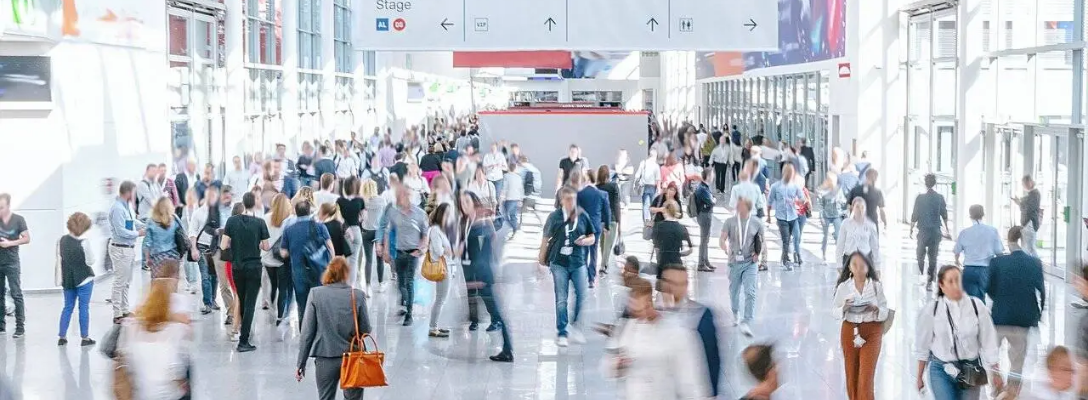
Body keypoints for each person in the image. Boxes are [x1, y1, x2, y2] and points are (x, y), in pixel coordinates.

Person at [601, 278, 708, 400]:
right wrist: (617, 365)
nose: (639, 316)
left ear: (650, 302)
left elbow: (690, 380)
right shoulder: (625, 328)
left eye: (641, 310)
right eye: (634, 311)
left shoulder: (676, 332)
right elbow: (608, 367)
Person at [913, 265, 1003, 399]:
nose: (956, 285)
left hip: (971, 370)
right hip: (941, 370)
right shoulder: (932, 310)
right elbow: (923, 346)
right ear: (941, 285)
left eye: (958, 280)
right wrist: (919, 376)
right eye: (950, 281)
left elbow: (989, 342)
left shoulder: (977, 307)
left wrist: (996, 372)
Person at [296, 256, 371, 400]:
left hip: (325, 357)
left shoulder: (316, 294)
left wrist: (301, 363)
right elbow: (366, 330)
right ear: (346, 274)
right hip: (352, 358)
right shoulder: (358, 295)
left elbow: (307, 333)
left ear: (328, 273)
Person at [985, 226, 1044, 394]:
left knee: (992, 354)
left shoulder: (997, 262)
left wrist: (998, 299)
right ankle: (1012, 391)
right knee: (1017, 359)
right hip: (1023, 320)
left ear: (1009, 240)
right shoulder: (1034, 263)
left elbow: (988, 287)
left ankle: (997, 387)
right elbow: (1042, 291)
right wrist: (1039, 313)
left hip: (1000, 317)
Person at [458, 191, 514, 362]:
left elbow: (485, 254)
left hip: (483, 277)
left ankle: (508, 349)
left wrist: (480, 278)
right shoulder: (465, 223)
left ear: (474, 202)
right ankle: (507, 348)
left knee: (497, 312)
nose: (464, 205)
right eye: (462, 202)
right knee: (495, 311)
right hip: (473, 274)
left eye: (467, 201)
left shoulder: (480, 224)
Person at [540, 186, 597, 347]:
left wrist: (585, 241)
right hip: (559, 263)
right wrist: (541, 256)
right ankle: (562, 331)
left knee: (582, 294)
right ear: (561, 200)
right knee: (561, 298)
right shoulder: (554, 217)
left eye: (573, 198)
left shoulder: (582, 215)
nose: (571, 202)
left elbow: (592, 236)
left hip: (578, 262)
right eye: (567, 199)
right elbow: (545, 238)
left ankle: (575, 326)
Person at [119, 279, 194, 400]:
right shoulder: (175, 331)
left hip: (142, 394)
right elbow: (176, 370)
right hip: (168, 395)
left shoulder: (132, 329)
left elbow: (127, 361)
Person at [832, 252, 890, 400]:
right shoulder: (844, 287)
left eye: (862, 265)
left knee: (866, 378)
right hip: (850, 330)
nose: (858, 269)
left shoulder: (876, 286)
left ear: (868, 267)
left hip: (872, 331)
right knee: (851, 376)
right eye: (854, 265)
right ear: (849, 268)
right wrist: (844, 307)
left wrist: (876, 308)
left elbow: (885, 312)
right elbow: (835, 311)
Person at [658, 265, 721, 396]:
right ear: (662, 284)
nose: (678, 288)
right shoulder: (649, 312)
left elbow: (712, 360)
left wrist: (712, 394)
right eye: (673, 283)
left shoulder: (701, 315)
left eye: (683, 283)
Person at [220, 192, 271, 352]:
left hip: (237, 267)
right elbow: (266, 246)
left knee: (241, 300)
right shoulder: (260, 222)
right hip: (254, 266)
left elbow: (223, 245)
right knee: (250, 304)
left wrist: (236, 244)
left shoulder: (231, 221)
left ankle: (242, 335)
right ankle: (244, 341)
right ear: (254, 204)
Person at [378, 182, 429, 326]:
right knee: (401, 283)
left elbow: (425, 234)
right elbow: (388, 232)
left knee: (410, 281)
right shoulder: (394, 213)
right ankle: (407, 303)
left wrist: (419, 250)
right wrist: (386, 250)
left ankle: (410, 313)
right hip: (399, 252)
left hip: (413, 253)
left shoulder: (420, 214)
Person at [280, 201, 335, 324]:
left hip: (298, 271)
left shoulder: (289, 230)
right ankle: (319, 332)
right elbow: (330, 248)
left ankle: (305, 335)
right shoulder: (320, 227)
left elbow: (283, 253)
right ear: (309, 211)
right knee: (319, 303)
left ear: (296, 212)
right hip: (319, 270)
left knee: (302, 305)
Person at [720, 197, 762, 336]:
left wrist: (760, 255)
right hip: (734, 262)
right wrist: (723, 245)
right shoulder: (730, 222)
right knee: (734, 291)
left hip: (750, 262)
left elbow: (761, 241)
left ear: (747, 208)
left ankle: (747, 320)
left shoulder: (756, 222)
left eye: (740, 205)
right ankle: (735, 312)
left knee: (750, 291)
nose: (737, 207)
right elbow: (722, 237)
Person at [57, 212, 96, 346]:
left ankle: (62, 336)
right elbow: (91, 261)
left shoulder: (61, 240)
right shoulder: (84, 243)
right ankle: (85, 338)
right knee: (83, 307)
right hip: (84, 279)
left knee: (67, 307)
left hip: (68, 279)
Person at [953, 205, 1003, 300]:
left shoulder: (964, 232)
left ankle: (974, 313)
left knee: (971, 300)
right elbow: (999, 252)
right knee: (981, 298)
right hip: (986, 270)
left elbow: (957, 251)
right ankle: (981, 313)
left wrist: (957, 261)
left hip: (968, 269)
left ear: (970, 216)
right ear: (983, 215)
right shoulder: (993, 231)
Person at [187, 186, 223, 314]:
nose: (212, 198)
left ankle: (213, 300)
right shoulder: (198, 213)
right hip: (201, 247)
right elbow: (192, 232)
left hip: (214, 248)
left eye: (214, 196)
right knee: (205, 276)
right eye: (210, 196)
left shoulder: (219, 213)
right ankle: (207, 303)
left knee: (215, 276)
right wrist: (194, 249)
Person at [572, 170, 610, 288]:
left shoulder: (580, 194)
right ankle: (591, 279)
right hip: (596, 226)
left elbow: (576, 211)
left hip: (583, 226)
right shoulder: (602, 194)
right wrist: (607, 226)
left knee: (583, 251)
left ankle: (582, 276)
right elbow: (607, 212)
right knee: (594, 252)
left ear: (587, 179)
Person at [911, 173, 950, 286]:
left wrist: (911, 228)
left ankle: (922, 272)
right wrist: (947, 229)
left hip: (923, 231)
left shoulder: (920, 198)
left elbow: (915, 214)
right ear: (935, 183)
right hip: (935, 231)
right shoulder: (940, 198)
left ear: (925, 183)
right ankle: (930, 276)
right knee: (933, 255)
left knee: (920, 253)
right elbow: (944, 214)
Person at [262, 193, 294, 327]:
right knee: (283, 288)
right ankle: (280, 317)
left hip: (268, 258)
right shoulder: (290, 219)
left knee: (273, 285)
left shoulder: (266, 218)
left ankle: (272, 310)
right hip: (282, 258)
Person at [426, 203, 454, 338]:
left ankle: (435, 325)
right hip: (441, 267)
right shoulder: (436, 230)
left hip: (444, 265)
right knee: (440, 299)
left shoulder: (441, 230)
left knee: (441, 298)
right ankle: (433, 327)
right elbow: (437, 250)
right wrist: (447, 251)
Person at [768, 164, 804, 268]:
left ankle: (797, 255)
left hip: (793, 216)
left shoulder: (795, 186)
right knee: (786, 239)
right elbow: (769, 201)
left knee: (797, 236)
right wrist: (769, 216)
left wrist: (795, 201)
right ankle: (785, 260)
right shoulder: (775, 186)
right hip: (781, 217)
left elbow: (802, 199)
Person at [143, 198, 186, 278]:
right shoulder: (174, 219)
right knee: (171, 285)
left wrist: (147, 258)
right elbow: (183, 234)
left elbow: (147, 243)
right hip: (173, 257)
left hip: (157, 259)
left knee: (158, 285)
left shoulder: (151, 221)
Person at [837, 198, 881, 270]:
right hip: (848, 260)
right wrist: (839, 264)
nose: (860, 209)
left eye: (862, 207)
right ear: (853, 208)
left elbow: (875, 247)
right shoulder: (846, 223)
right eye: (857, 207)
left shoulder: (871, 225)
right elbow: (840, 244)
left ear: (865, 209)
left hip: (865, 260)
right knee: (848, 281)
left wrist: (877, 267)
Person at [651, 202, 692, 279]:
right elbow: (690, 250)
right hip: (677, 263)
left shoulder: (658, 227)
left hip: (663, 264)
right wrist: (678, 254)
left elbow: (657, 249)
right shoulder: (682, 228)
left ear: (664, 211)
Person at [360, 179, 387, 293]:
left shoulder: (362, 201)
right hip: (378, 232)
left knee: (368, 260)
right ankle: (381, 284)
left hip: (366, 231)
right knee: (380, 258)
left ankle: (368, 286)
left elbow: (360, 217)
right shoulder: (381, 200)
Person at [337, 177, 365, 286]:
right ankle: (351, 286)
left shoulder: (339, 201)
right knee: (353, 261)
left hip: (343, 232)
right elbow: (364, 217)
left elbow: (338, 217)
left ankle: (341, 284)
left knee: (342, 259)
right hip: (356, 231)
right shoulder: (360, 200)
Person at [595, 165, 621, 273]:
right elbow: (616, 205)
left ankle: (604, 263)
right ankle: (603, 265)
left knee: (602, 243)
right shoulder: (614, 186)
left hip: (599, 219)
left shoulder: (596, 188)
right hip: (612, 218)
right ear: (608, 175)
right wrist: (620, 222)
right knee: (608, 244)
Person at [817, 174, 847, 260]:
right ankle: (823, 255)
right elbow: (820, 205)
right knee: (825, 236)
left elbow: (844, 200)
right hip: (826, 215)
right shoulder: (823, 190)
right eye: (831, 180)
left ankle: (839, 255)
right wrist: (821, 217)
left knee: (838, 235)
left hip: (836, 215)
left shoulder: (838, 190)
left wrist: (839, 201)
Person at [1012, 174, 1042, 258]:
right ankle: (1033, 265)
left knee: (1030, 247)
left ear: (1030, 182)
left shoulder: (1034, 194)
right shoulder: (1031, 194)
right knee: (1028, 247)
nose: (1023, 186)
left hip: (1030, 223)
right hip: (1028, 223)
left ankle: (1035, 265)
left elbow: (1029, 208)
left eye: (1024, 183)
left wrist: (1019, 203)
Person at [692, 168, 715, 271]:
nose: (713, 176)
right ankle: (701, 263)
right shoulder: (702, 189)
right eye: (712, 174)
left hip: (706, 214)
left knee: (706, 239)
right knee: (704, 239)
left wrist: (712, 199)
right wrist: (713, 200)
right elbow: (711, 202)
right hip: (704, 215)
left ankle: (705, 260)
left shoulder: (705, 187)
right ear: (708, 176)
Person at [633, 149, 662, 222]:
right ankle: (652, 218)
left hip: (644, 186)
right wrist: (659, 188)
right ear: (655, 156)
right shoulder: (656, 165)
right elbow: (658, 178)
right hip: (653, 186)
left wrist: (635, 182)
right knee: (653, 203)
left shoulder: (644, 163)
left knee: (646, 203)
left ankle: (646, 219)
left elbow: (638, 174)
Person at [499, 162, 525, 237]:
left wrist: (501, 198)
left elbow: (504, 188)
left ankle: (515, 228)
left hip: (509, 199)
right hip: (517, 199)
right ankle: (515, 229)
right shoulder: (518, 177)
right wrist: (521, 199)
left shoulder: (506, 176)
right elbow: (521, 189)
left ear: (508, 168)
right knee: (513, 215)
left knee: (505, 216)